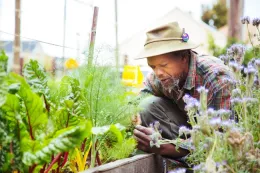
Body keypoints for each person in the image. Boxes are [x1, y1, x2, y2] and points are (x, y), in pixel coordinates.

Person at [133, 22, 233, 164]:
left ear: (184, 57)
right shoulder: (161, 76)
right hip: (188, 133)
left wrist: (167, 148)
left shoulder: (216, 79)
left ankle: (182, 160)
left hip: (220, 144)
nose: (158, 73)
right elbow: (139, 99)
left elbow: (223, 136)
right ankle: (176, 160)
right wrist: (132, 116)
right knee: (145, 105)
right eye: (153, 66)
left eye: (163, 65)